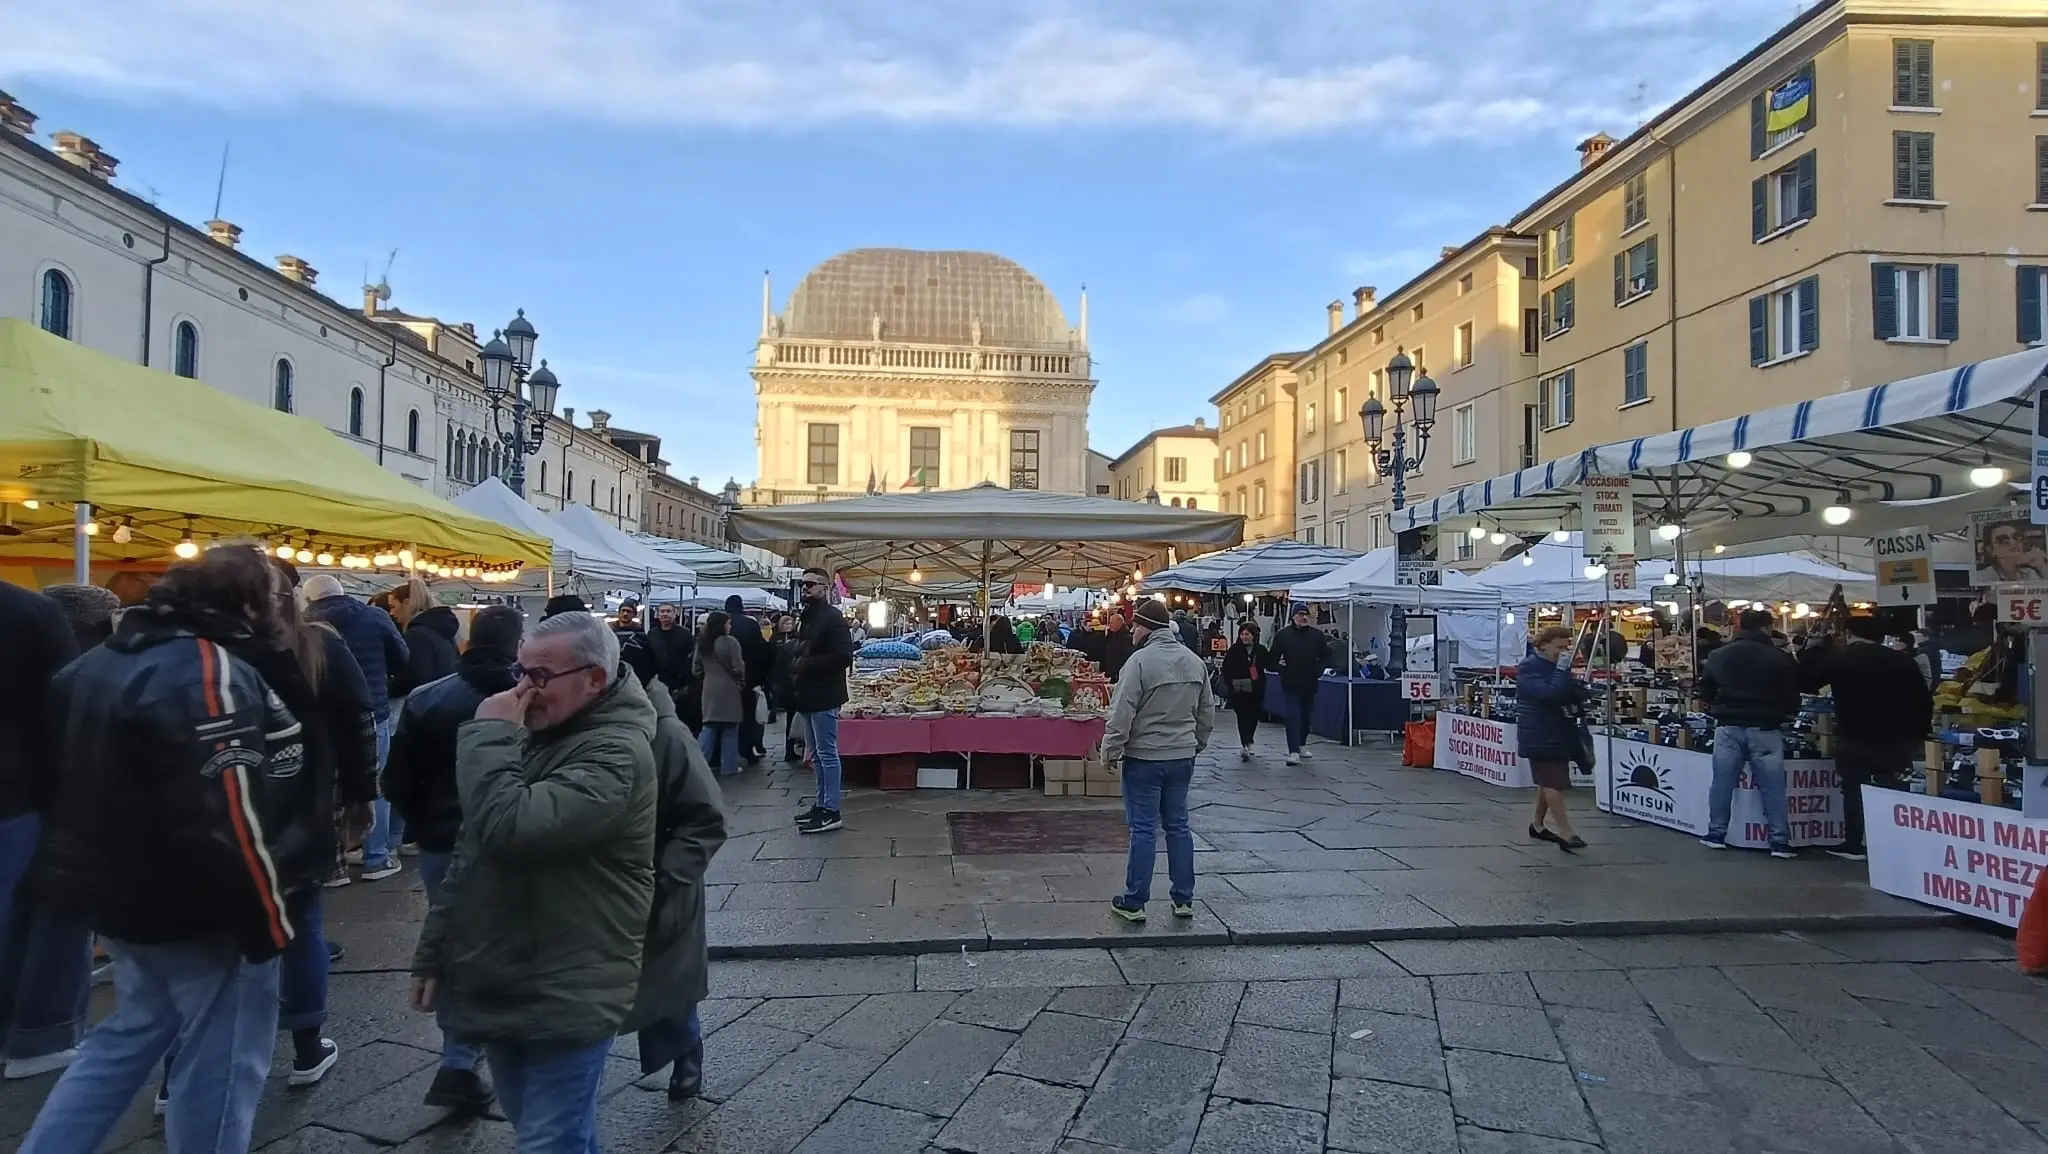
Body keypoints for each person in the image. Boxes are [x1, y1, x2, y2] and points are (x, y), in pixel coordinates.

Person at [22, 545, 310, 1154]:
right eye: (279, 596)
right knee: (224, 1068)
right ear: (249, 602)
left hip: (124, 898)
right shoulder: (205, 672)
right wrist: (267, 922)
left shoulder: (101, 662)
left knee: (125, 1036)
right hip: (199, 907)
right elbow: (227, 812)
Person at [409, 610, 657, 1154]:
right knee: (550, 1131)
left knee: (548, 1139)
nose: (523, 689)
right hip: (507, 967)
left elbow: (510, 829)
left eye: (539, 677)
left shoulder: (615, 751)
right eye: (520, 671)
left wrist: (488, 732)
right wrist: (436, 953)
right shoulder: (542, 732)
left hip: (570, 975)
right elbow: (470, 855)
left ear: (594, 679)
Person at [381, 604, 524, 1113]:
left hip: (442, 841)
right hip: (515, 838)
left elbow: (394, 780)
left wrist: (424, 822)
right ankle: (505, 1049)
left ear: (468, 639)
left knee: (456, 941)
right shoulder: (533, 699)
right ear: (517, 644)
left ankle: (459, 1058)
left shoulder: (428, 698)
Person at [621, 658, 727, 1101]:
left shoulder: (668, 734)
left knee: (667, 976)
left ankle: (687, 1049)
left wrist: (667, 876)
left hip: (657, 882)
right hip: (599, 885)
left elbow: (706, 819)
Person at [0, 581, 79, 1081]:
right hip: (18, 788)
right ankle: (36, 1035)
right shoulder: (30, 611)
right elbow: (63, 707)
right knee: (46, 913)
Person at [1103, 599, 1213, 923]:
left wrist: (1110, 749)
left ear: (1146, 627)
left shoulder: (1139, 663)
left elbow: (1121, 711)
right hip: (1182, 756)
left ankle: (1134, 901)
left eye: (1135, 625)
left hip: (1145, 758)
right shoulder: (1194, 662)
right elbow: (1206, 712)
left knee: (1144, 830)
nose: (1132, 630)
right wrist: (1197, 744)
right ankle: (1183, 899)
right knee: (1179, 827)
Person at [1800, 616, 1932, 862]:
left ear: (1849, 633)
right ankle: (1894, 840)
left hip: (1855, 733)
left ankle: (1854, 842)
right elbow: (1923, 700)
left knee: (1853, 789)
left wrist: (1814, 647)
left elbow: (1808, 681)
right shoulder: (1903, 662)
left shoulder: (1843, 659)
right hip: (1898, 735)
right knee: (1894, 788)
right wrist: (1919, 732)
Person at [305, 574, 410, 881]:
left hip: (320, 715)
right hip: (370, 709)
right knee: (374, 783)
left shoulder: (302, 624)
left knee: (327, 788)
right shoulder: (374, 616)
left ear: (310, 599)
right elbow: (402, 657)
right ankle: (376, 857)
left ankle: (334, 864)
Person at [1696, 608, 1801, 857]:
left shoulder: (1718, 655)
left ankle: (1716, 833)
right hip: (1765, 726)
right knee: (1773, 787)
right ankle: (1779, 841)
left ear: (1740, 626)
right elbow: (1791, 696)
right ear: (1766, 627)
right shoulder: (1780, 658)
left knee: (1722, 783)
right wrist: (1785, 713)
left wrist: (1718, 706)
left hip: (1728, 725)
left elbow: (1706, 690)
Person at [786, 568, 854, 835]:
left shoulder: (832, 618)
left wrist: (806, 663)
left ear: (825, 588)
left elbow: (843, 656)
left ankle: (831, 810)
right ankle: (821, 804)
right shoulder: (807, 617)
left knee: (827, 753)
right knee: (815, 754)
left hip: (825, 694)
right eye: (803, 584)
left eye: (812, 584)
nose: (806, 589)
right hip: (807, 694)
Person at [1516, 626, 1589, 852]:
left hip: (1556, 730)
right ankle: (1567, 832)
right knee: (1552, 781)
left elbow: (1562, 692)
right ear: (1544, 644)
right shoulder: (1530, 668)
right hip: (1540, 732)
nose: (1563, 651)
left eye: (1566, 646)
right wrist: (1561, 671)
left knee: (1548, 780)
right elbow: (1549, 693)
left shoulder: (1552, 666)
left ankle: (1537, 825)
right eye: (1559, 646)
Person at [1269, 605, 1332, 766]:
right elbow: (1272, 660)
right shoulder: (1283, 635)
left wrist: (1319, 670)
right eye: (1300, 614)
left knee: (1306, 715)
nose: (1303, 617)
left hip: (1310, 681)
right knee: (1293, 716)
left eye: (1305, 614)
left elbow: (1326, 657)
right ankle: (1293, 751)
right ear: (1293, 616)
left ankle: (1302, 744)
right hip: (1290, 682)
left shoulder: (1316, 636)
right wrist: (1283, 670)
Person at [693, 612, 746, 776]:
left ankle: (697, 763)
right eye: (728, 623)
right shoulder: (731, 642)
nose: (730, 626)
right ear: (722, 624)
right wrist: (741, 680)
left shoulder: (702, 643)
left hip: (709, 687)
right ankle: (729, 766)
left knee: (709, 726)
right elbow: (738, 667)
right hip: (729, 688)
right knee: (730, 728)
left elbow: (696, 669)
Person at [725, 594, 772, 764]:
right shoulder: (750, 623)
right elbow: (760, 650)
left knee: (725, 718)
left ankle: (724, 753)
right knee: (748, 715)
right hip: (749, 676)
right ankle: (746, 749)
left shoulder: (721, 623)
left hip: (725, 678)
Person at [396, 579, 460, 697]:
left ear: (406, 603)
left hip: (425, 702)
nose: (391, 612)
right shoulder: (443, 631)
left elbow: (414, 678)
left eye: (393, 606)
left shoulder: (416, 635)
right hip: (444, 699)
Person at [1219, 624, 1269, 762]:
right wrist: (1229, 683)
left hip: (1256, 689)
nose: (1244, 637)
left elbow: (1269, 664)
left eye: (1247, 634)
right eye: (1242, 634)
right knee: (1242, 717)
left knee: (1254, 716)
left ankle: (1249, 739)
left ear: (1253, 635)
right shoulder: (1234, 650)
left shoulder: (1260, 650)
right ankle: (1245, 744)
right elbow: (1226, 668)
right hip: (1238, 690)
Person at [643, 603, 695, 702]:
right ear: (658, 615)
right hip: (657, 681)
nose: (665, 614)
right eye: (662, 612)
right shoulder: (652, 634)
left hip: (679, 683)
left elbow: (690, 658)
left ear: (675, 614)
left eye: (668, 611)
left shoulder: (685, 634)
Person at [1099, 611, 1135, 682]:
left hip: (1119, 677)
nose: (1109, 625)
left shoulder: (1127, 638)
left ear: (1119, 623)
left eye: (1111, 623)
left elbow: (1126, 658)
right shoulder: (1111, 637)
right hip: (1110, 676)